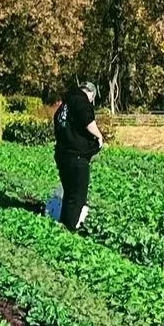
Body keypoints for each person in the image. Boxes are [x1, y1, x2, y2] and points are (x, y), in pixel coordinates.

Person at [50, 80, 102, 231]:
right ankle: (69, 230)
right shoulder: (80, 99)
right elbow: (87, 118)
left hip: (63, 155)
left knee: (69, 195)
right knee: (78, 197)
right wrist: (99, 136)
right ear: (91, 94)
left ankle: (63, 227)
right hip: (76, 157)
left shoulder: (64, 107)